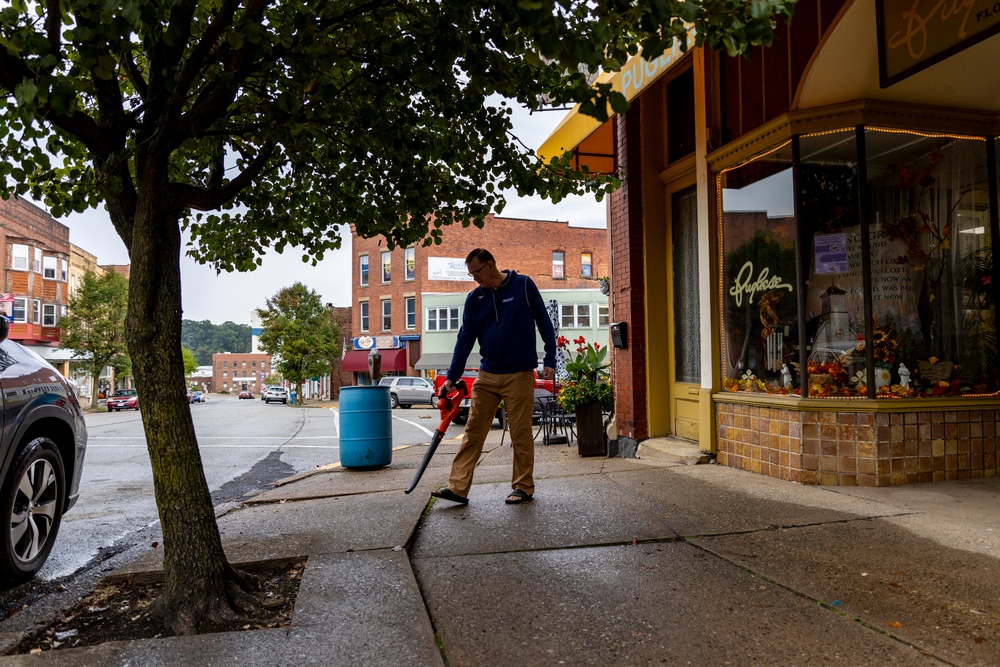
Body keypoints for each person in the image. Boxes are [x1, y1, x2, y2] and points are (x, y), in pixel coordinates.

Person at [431, 248, 556, 505]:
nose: (474, 278)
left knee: (520, 433)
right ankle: (457, 488)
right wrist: (451, 377)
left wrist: (551, 360)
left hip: (519, 374)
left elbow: (544, 323)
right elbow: (464, 340)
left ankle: (523, 486)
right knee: (473, 431)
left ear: (490, 265)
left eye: (476, 272)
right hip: (487, 374)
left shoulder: (522, 285)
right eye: (470, 274)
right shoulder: (474, 298)